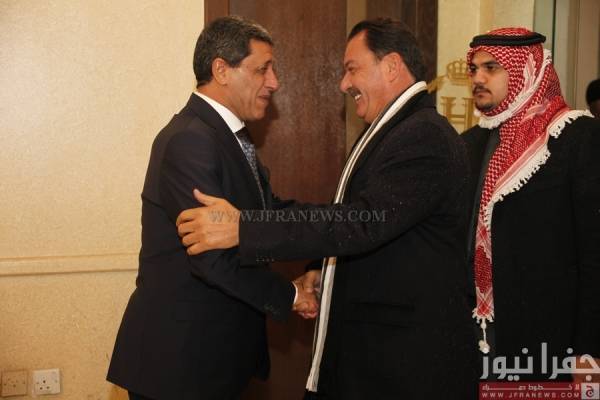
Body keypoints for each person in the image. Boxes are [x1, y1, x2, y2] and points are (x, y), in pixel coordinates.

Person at [176, 18, 478, 399]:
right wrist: (322, 267)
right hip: (382, 362)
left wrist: (245, 228)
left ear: (391, 66)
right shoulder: (397, 128)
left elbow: (362, 222)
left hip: (406, 366)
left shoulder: (423, 135)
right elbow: (365, 219)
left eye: (352, 69)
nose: (343, 84)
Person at [106, 16, 317, 400]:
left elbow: (265, 214)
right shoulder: (191, 140)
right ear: (221, 70)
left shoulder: (228, 136)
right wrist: (290, 295)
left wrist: (339, 223)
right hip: (180, 363)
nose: (274, 82)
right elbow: (212, 259)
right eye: (262, 69)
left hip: (210, 358)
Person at [463, 27, 600, 382]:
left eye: (491, 67)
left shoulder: (575, 137)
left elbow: (594, 254)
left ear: (527, 69)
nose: (477, 78)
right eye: (473, 69)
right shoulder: (470, 143)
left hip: (552, 342)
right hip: (479, 336)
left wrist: (589, 352)